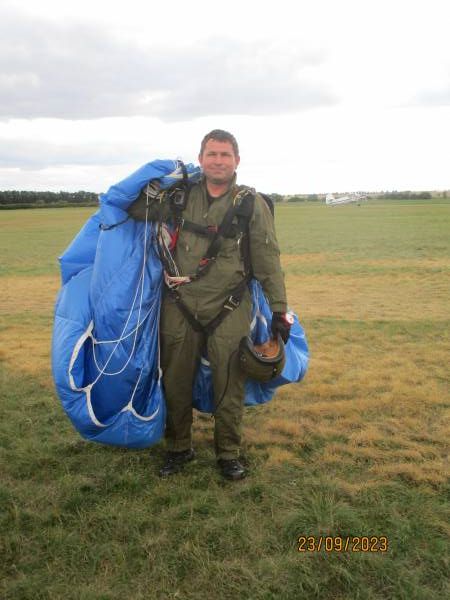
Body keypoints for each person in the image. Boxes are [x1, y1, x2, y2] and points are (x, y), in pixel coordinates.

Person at [159, 129, 292, 480]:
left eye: (225, 155)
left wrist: (279, 309)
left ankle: (228, 453)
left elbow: (267, 259)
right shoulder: (178, 195)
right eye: (212, 154)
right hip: (180, 303)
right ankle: (178, 448)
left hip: (229, 306)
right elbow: (135, 213)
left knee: (229, 381)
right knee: (174, 379)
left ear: (237, 161)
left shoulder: (251, 203)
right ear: (200, 159)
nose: (218, 161)